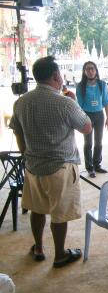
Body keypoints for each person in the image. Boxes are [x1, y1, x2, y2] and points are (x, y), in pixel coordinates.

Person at [9, 56, 92, 268]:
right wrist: (74, 102)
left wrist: (27, 153)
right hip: (60, 168)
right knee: (59, 212)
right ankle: (60, 255)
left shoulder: (21, 102)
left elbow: (17, 130)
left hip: (33, 167)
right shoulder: (65, 103)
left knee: (37, 209)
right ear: (56, 75)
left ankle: (38, 248)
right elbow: (86, 127)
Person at [76, 61, 108, 178]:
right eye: (87, 69)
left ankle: (97, 165)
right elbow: (79, 105)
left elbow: (106, 102)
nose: (90, 71)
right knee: (88, 143)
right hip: (86, 116)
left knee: (98, 142)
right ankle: (89, 168)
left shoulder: (102, 84)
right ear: (84, 72)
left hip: (99, 115)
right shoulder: (80, 86)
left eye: (92, 69)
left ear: (96, 70)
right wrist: (81, 120)